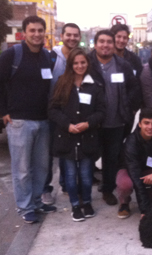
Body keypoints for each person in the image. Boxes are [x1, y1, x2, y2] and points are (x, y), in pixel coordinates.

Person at [0, 16, 56, 224]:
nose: (37, 34)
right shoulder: (11, 55)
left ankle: (36, 202)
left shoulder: (47, 57)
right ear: (24, 33)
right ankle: (25, 207)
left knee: (41, 167)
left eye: (40, 30)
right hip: (19, 121)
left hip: (44, 121)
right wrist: (3, 111)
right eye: (32, 30)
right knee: (22, 169)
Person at [49, 48, 105, 222]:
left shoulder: (94, 85)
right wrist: (67, 125)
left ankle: (87, 202)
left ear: (87, 63)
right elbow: (52, 109)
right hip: (67, 139)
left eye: (83, 62)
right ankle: (75, 205)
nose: (80, 66)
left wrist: (89, 123)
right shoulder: (62, 83)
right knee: (71, 177)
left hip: (87, 138)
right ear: (70, 65)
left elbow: (102, 111)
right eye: (76, 63)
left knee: (87, 176)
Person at [88, 30, 140, 206]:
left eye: (109, 42)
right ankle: (84, 191)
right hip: (93, 122)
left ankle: (108, 189)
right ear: (95, 44)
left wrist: (130, 107)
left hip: (116, 121)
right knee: (90, 155)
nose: (105, 45)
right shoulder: (87, 63)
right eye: (101, 41)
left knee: (111, 158)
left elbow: (134, 87)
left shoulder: (122, 65)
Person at [43, 23, 82, 205]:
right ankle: (45, 189)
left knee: (68, 150)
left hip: (72, 114)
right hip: (52, 113)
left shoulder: (79, 58)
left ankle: (66, 184)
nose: (72, 38)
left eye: (76, 35)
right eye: (69, 35)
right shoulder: (52, 57)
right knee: (49, 153)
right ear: (62, 35)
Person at [116, 107, 152, 218]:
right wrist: (145, 210)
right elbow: (135, 175)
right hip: (130, 170)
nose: (150, 127)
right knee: (125, 185)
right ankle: (124, 202)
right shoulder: (131, 141)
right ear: (139, 124)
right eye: (146, 123)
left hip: (151, 169)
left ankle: (150, 197)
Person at [110, 24, 143, 138]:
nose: (121, 40)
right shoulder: (105, 58)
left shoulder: (134, 59)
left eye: (125, 38)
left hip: (128, 111)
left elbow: (139, 84)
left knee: (124, 142)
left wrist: (134, 108)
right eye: (118, 37)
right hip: (108, 112)